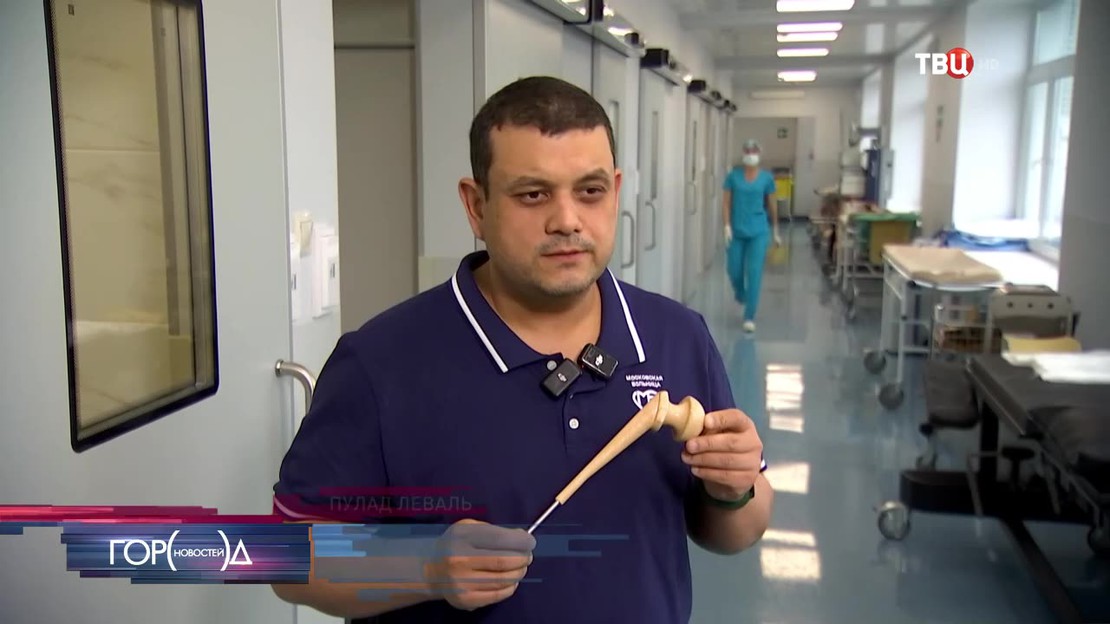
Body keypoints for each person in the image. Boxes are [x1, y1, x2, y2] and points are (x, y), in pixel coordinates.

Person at [270, 76, 773, 623]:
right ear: (476, 206)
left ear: (615, 191)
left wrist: (733, 488)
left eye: (590, 191)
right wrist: (425, 565)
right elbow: (285, 555)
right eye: (533, 195)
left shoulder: (676, 336)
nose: (567, 220)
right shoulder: (380, 363)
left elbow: (736, 531)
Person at [722, 139, 782, 333]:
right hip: (737, 231)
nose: (750, 154)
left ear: (759, 154)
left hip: (758, 231)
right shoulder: (733, 177)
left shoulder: (766, 178)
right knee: (734, 270)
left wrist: (776, 230)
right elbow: (726, 203)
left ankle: (749, 316)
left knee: (754, 272)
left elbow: (772, 204)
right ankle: (741, 293)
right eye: (747, 151)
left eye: (754, 151)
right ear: (743, 153)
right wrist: (727, 226)